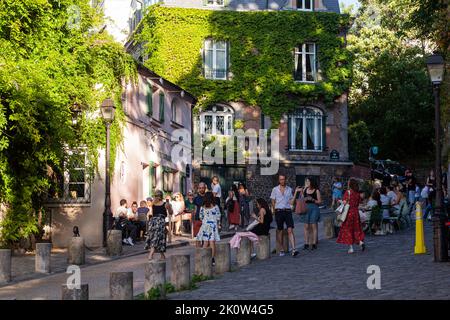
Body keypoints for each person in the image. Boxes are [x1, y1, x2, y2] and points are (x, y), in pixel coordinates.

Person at [270, 174, 298, 257]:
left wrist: (296, 192)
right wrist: (274, 211)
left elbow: (291, 203)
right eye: (281, 179)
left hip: (288, 211)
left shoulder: (289, 189)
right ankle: (281, 248)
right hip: (279, 211)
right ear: (279, 180)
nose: (282, 181)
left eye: (283, 179)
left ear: (286, 180)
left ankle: (294, 249)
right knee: (280, 231)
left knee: (290, 230)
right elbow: (273, 201)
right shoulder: (275, 189)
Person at [337, 178, 366, 254]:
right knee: (356, 229)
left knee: (348, 230)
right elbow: (359, 203)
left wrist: (339, 201)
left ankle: (351, 248)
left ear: (350, 184)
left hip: (349, 213)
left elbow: (345, 202)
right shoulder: (357, 194)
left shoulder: (348, 192)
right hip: (356, 213)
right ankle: (360, 242)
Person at [145, 190, 173, 260]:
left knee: (157, 237)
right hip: (157, 221)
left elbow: (170, 212)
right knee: (157, 237)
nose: (156, 197)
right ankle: (155, 255)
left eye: (156, 196)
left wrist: (169, 207)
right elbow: (170, 213)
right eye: (155, 196)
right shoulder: (154, 204)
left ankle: (156, 254)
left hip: (157, 221)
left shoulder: (161, 204)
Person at [196, 192, 221, 266]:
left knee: (205, 242)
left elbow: (200, 217)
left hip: (205, 226)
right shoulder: (215, 206)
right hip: (213, 226)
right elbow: (218, 216)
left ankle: (202, 257)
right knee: (212, 242)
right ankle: (212, 259)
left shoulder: (202, 207)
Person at [299, 178, 321, 250]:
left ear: (311, 182)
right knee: (306, 226)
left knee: (313, 225)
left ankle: (314, 243)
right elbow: (301, 199)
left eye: (308, 181)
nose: (307, 182)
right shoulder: (304, 190)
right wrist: (303, 194)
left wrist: (312, 199)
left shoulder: (316, 190)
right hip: (306, 208)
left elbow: (319, 201)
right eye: (306, 181)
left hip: (314, 208)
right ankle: (306, 243)